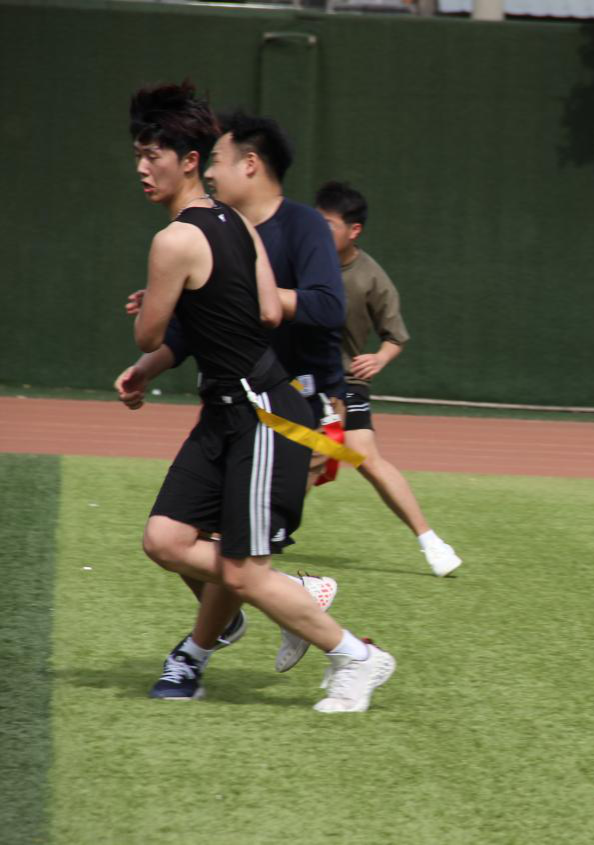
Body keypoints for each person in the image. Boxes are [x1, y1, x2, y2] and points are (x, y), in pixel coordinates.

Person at [117, 82, 394, 712]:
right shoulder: (237, 223)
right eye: (137, 155)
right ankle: (289, 590)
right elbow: (268, 309)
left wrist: (162, 298)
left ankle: (357, 658)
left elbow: (148, 333)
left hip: (262, 413)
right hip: (226, 410)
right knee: (164, 539)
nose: (142, 168)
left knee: (243, 571)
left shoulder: (174, 240)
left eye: (153, 155)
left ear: (189, 160)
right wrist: (197, 301)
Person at [313, 180, 462, 577]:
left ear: (354, 230)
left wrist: (380, 357)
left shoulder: (371, 278)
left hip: (345, 383)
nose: (317, 231)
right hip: (296, 378)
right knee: (292, 454)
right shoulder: (302, 259)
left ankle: (431, 542)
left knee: (362, 457)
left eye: (327, 225)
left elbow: (396, 336)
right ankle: (246, 532)